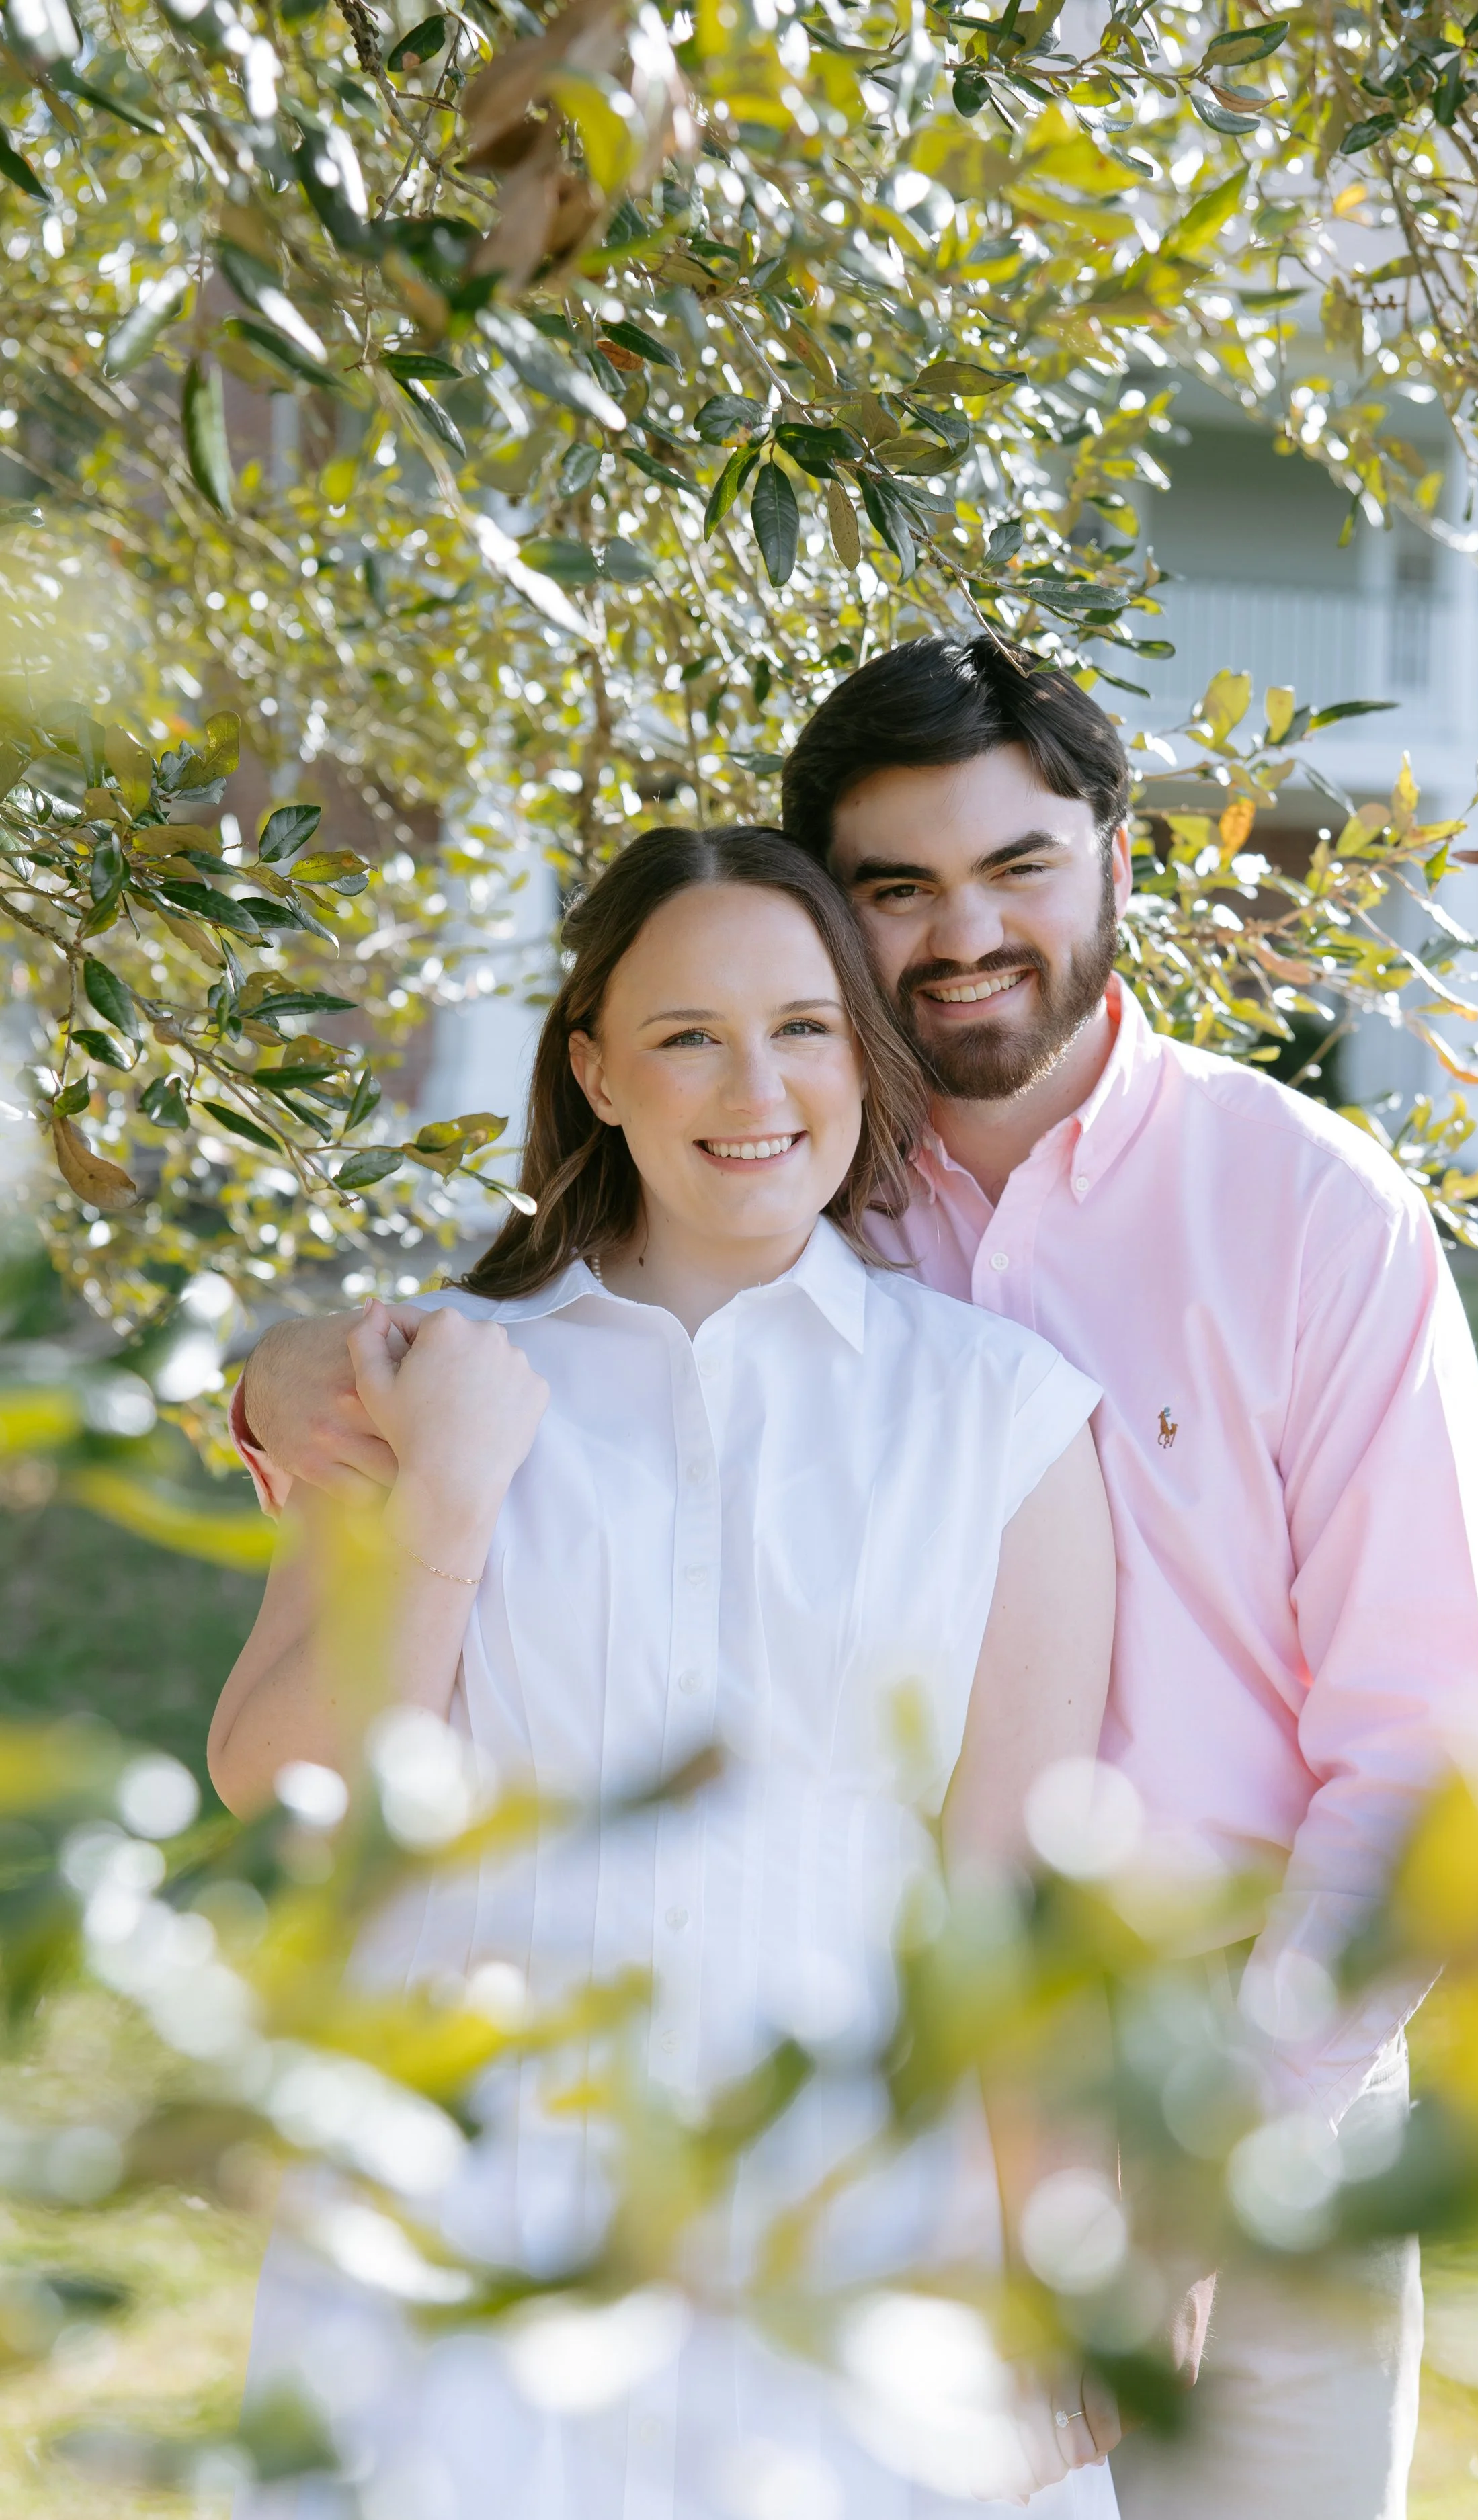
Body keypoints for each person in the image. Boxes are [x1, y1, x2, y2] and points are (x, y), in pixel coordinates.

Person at [232, 638, 1478, 2520]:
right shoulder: (780, 1190)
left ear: (1116, 864)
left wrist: (1184, 2164)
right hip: (715, 2102)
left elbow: (1412, 1762)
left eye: (1015, 865)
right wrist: (281, 1378)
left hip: (1239, 2041)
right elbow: (469, 1424)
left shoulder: (1304, 1212)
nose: (961, 929)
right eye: (897, 887)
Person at [210, 823, 1125, 2518]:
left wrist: (1050, 2262)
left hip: (849, 2201)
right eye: (686, 1034)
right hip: (468, 2205)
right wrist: (450, 1505)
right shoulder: (419, 1381)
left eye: (799, 1024)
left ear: (863, 1052)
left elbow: (1015, 1900)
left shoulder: (998, 1415)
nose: (750, 1083)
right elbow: (293, 1791)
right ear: (594, 1070)